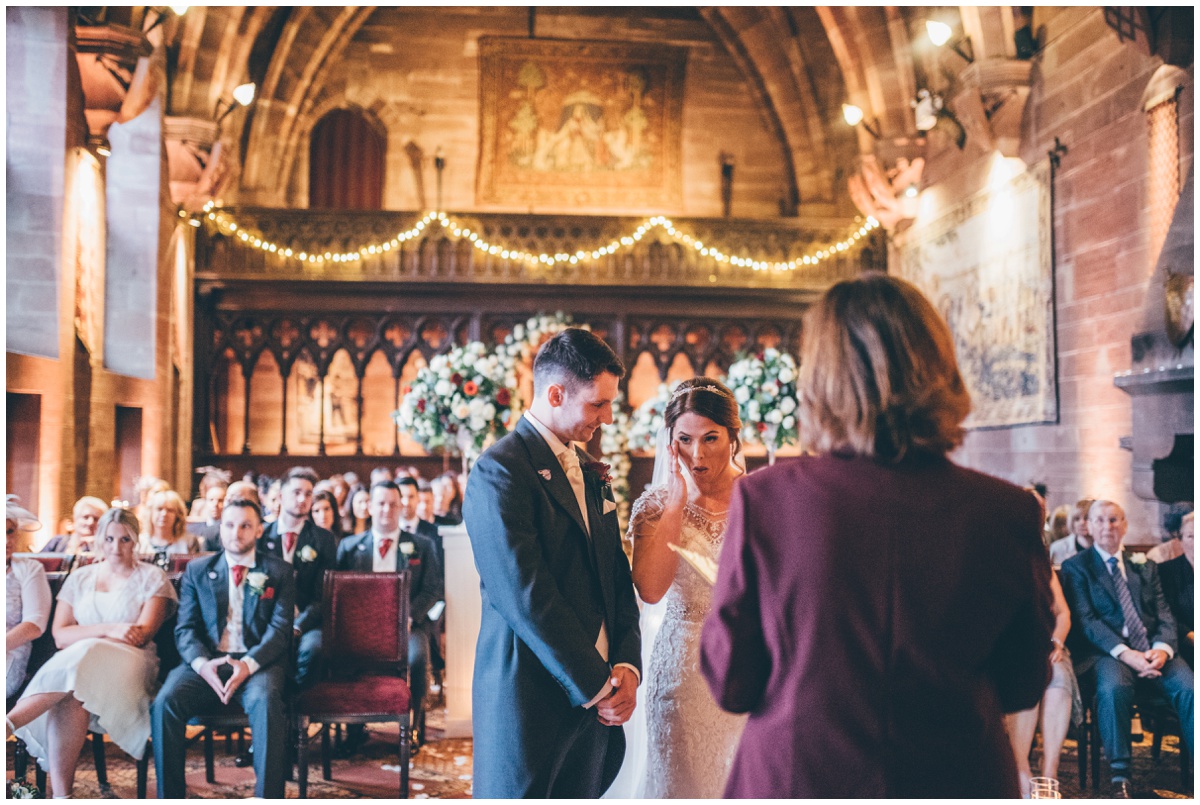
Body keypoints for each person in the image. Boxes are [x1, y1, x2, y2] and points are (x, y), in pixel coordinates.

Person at [700, 274, 1054, 798]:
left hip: (802, 776)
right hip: (955, 776)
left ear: (820, 380)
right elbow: (1023, 680)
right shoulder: (1007, 510)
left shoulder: (766, 501)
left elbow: (732, 681)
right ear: (939, 370)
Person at [463, 328, 642, 798]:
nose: (606, 418)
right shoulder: (499, 471)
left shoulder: (589, 470)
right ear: (556, 393)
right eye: (597, 405)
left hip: (598, 695)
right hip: (529, 697)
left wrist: (626, 663)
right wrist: (596, 683)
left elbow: (615, 576)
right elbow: (527, 594)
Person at [613, 378, 747, 798]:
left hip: (745, 669)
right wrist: (675, 503)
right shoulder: (654, 506)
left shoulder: (760, 498)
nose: (698, 453)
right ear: (669, 441)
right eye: (684, 439)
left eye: (711, 438)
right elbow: (651, 590)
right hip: (680, 677)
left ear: (733, 437)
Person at [8, 507, 176, 797]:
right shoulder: (80, 578)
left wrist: (96, 634)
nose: (116, 547)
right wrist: (110, 629)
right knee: (74, 695)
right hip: (81, 668)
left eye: (125, 539)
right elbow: (61, 636)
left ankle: (9, 722)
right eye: (109, 539)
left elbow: (141, 634)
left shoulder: (152, 577)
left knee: (86, 651)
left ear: (136, 541)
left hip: (133, 663)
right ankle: (63, 796)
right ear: (100, 539)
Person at [151, 498, 294, 799]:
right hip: (208, 662)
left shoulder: (279, 571)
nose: (236, 533)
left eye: (245, 526)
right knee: (165, 702)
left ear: (258, 531)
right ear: (221, 527)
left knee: (266, 701)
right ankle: (171, 796)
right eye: (230, 525)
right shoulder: (199, 570)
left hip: (258, 665)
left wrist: (250, 664)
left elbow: (280, 632)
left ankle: (267, 796)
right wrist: (203, 664)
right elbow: (185, 629)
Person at [1060, 500, 1194, 797]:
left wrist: (1162, 649)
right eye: (1101, 520)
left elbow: (1165, 613)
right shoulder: (1076, 568)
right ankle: (1120, 775)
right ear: (1091, 526)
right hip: (1108, 653)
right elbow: (1087, 621)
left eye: (1114, 520)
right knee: (1113, 689)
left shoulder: (1144, 565)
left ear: (1125, 525)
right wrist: (1126, 653)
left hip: (1154, 650)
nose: (1107, 526)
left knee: (1191, 689)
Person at [336, 480, 443, 751]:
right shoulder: (350, 547)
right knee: (347, 655)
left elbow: (432, 588)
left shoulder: (422, 545)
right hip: (361, 629)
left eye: (393, 504)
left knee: (419, 657)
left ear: (401, 506)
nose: (387, 509)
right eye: (381, 503)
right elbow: (340, 591)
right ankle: (354, 726)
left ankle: (415, 726)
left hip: (408, 625)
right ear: (370, 507)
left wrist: (408, 617)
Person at [1004, 557, 1082, 796]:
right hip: (1010, 649)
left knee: (1057, 676)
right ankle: (1021, 768)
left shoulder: (1040, 566)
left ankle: (1050, 771)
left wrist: (1055, 642)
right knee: (1028, 674)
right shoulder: (991, 563)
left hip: (1047, 643)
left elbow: (1063, 614)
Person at [258, 467, 336, 690]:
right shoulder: (261, 535)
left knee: (314, 649)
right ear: (281, 496)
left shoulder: (323, 539)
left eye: (308, 494)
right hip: (267, 619)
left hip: (307, 622)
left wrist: (299, 626)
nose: (303, 499)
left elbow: (324, 595)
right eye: (296, 492)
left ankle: (298, 707)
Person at [7, 496, 51, 699]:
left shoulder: (29, 569)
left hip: (10, 654)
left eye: (10, 532)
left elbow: (34, 625)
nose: (7, 540)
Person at [1158, 512, 1194, 668]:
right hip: (1185, 645)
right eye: (1191, 536)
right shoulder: (1166, 571)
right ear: (1180, 541)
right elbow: (1167, 615)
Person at [140, 490, 201, 561]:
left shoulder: (189, 542)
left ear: (178, 515)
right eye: (159, 509)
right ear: (150, 513)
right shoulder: (140, 543)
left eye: (170, 510)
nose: (164, 514)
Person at [41, 497, 107, 554]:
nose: (90, 522)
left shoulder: (107, 546)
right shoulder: (56, 542)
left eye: (96, 519)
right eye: (85, 517)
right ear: (75, 519)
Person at [1049, 498, 1095, 567]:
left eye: (1086, 518)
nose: (1082, 523)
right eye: (1077, 519)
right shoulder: (1058, 548)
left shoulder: (1105, 546)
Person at [187, 480, 227, 552]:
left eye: (220, 500)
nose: (215, 504)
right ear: (205, 502)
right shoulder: (192, 529)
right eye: (211, 500)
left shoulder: (230, 529)